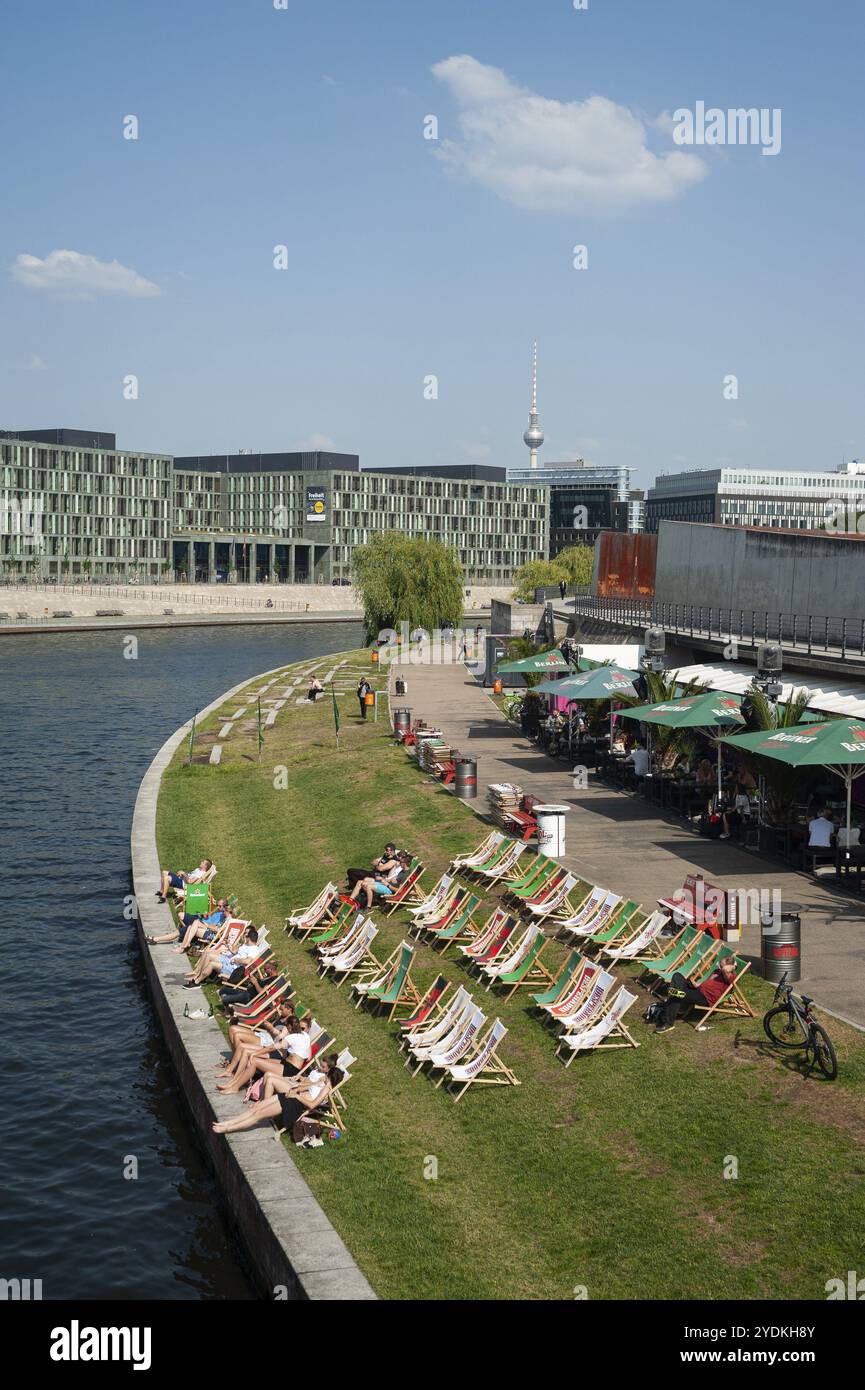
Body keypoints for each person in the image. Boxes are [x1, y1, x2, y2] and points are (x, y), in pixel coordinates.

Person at [212, 1056, 343, 1145]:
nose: (324, 1075)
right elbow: (307, 1088)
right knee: (257, 1107)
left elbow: (312, 1105)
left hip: (294, 1105)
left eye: (327, 1074)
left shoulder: (326, 1089)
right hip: (290, 1096)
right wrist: (299, 1088)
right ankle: (226, 1123)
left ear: (331, 1077)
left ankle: (228, 1129)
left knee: (258, 1115)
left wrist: (297, 1095)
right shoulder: (322, 1082)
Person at [216, 1012, 313, 1093]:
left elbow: (271, 1048)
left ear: (289, 1027)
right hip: (288, 1065)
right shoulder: (306, 1036)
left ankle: (235, 1087)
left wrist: (255, 1053)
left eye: (287, 1028)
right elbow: (308, 1057)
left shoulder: (291, 1037)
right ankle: (234, 1082)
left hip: (289, 1070)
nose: (286, 1030)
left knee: (254, 1061)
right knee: (253, 1059)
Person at [654, 956, 738, 1034]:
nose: (718, 966)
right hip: (698, 990)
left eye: (721, 965)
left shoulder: (730, 976)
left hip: (705, 998)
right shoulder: (717, 972)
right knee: (677, 976)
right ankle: (679, 1004)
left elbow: (726, 970)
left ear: (728, 967)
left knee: (677, 994)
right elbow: (708, 982)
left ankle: (669, 1023)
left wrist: (733, 966)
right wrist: (697, 984)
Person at [184, 926, 260, 988]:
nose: (244, 936)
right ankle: (198, 975)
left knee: (212, 964)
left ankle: (196, 982)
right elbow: (235, 951)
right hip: (228, 961)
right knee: (208, 955)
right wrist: (228, 946)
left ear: (249, 938)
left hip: (233, 969)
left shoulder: (254, 949)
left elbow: (248, 961)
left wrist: (237, 960)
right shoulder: (246, 944)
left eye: (246, 936)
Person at [146, 897, 228, 947]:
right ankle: (184, 935)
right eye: (218, 905)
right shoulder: (219, 913)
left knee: (181, 931)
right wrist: (204, 916)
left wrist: (205, 922)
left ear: (225, 907)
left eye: (220, 906)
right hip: (200, 921)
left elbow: (212, 926)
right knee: (181, 914)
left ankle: (155, 939)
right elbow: (210, 919)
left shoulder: (223, 917)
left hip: (202, 925)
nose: (218, 907)